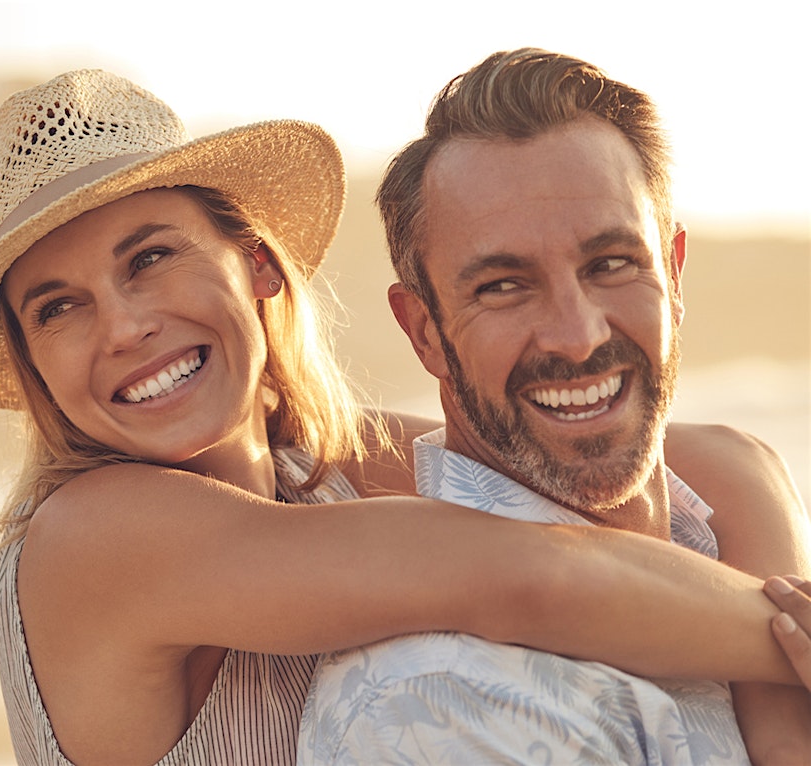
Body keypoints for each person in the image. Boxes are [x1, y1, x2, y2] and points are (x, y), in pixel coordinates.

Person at [0, 68, 808, 766]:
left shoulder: (318, 470)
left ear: (256, 266)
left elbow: (724, 462)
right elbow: (529, 578)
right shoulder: (92, 538)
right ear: (34, 362)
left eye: (151, 259)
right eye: (59, 307)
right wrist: (786, 642)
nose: (124, 327)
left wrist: (782, 729)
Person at [296, 49, 811, 764]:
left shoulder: (724, 528)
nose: (578, 336)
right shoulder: (446, 703)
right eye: (504, 286)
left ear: (674, 274)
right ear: (425, 333)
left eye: (611, 264)